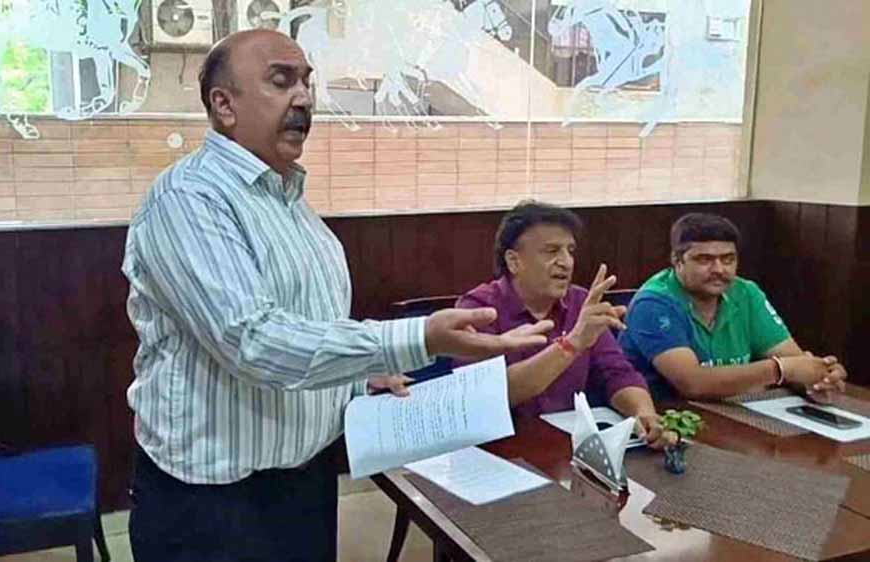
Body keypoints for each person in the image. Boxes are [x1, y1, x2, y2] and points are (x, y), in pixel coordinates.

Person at [120, 29, 550, 562]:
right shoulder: (188, 199)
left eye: (307, 82)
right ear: (224, 105)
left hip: (305, 483)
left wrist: (355, 378)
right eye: (281, 81)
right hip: (213, 502)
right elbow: (251, 341)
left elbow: (308, 328)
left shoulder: (288, 201)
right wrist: (418, 338)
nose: (304, 98)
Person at [456, 202, 671, 448]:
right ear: (514, 261)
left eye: (570, 251)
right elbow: (484, 395)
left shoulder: (581, 302)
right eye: (551, 251)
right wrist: (572, 343)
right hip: (498, 450)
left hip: (567, 447)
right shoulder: (478, 309)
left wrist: (643, 413)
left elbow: (617, 374)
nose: (566, 262)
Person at [619, 213, 847, 401]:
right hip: (665, 420)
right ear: (678, 261)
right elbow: (693, 384)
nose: (719, 269)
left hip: (736, 413)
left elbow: (792, 360)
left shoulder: (746, 293)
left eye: (728, 259)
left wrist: (818, 379)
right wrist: (780, 369)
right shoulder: (652, 303)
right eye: (705, 260)